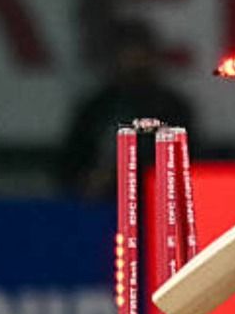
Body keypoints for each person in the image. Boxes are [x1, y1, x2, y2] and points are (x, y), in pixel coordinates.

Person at [59, 17, 194, 199]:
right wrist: (88, 179)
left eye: (141, 56)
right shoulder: (96, 109)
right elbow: (69, 165)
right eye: (128, 56)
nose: (135, 63)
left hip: (157, 207)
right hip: (99, 208)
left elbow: (188, 166)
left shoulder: (172, 109)